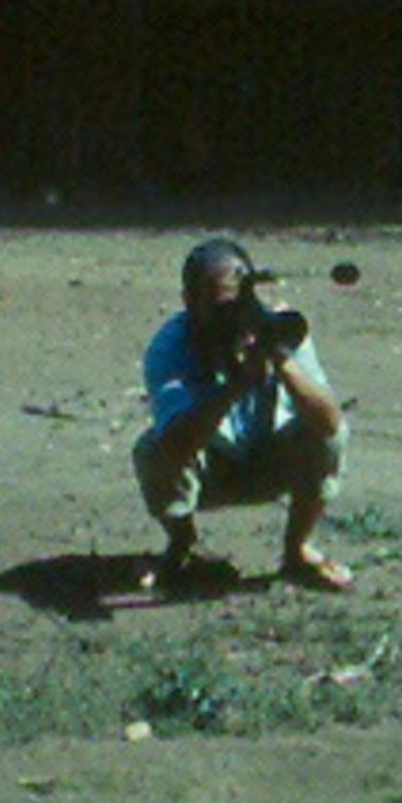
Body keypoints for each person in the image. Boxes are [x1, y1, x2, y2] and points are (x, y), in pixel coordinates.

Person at [132, 237, 351, 591]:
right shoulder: (170, 347)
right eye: (218, 308)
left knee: (330, 437)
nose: (230, 318)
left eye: (238, 306)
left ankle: (297, 550)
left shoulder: (277, 327)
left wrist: (279, 357)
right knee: (152, 449)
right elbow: (175, 444)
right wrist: (236, 386)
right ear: (189, 303)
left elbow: (329, 424)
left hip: (272, 461)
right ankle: (181, 543)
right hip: (211, 470)